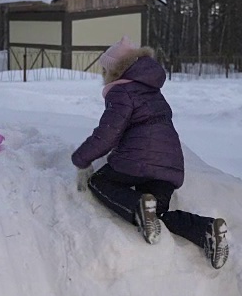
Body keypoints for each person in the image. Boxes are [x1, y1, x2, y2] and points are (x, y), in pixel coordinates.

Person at [71, 36, 229, 269]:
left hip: (138, 159)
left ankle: (137, 207)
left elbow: (108, 133)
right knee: (158, 214)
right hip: (170, 165)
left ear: (115, 70)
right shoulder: (152, 91)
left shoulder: (121, 92)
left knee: (99, 181)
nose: (102, 75)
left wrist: (81, 159)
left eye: (104, 70)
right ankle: (206, 229)